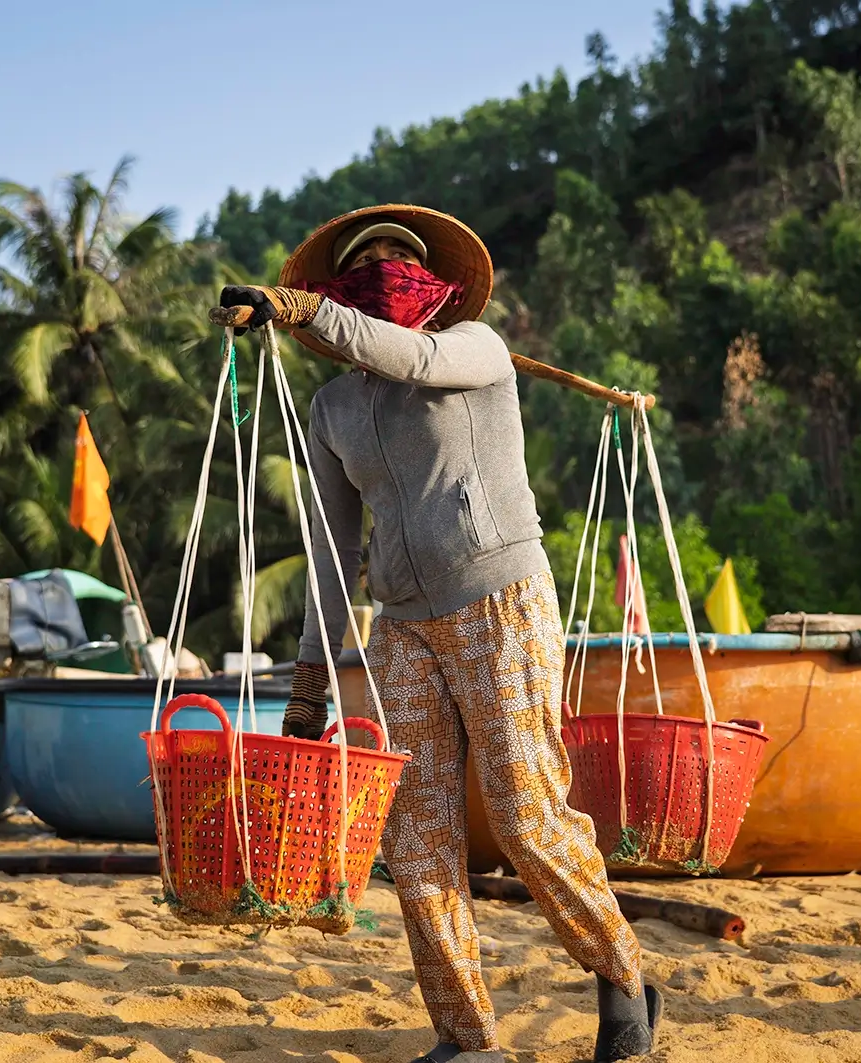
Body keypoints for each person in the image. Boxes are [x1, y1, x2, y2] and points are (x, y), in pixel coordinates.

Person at [219, 205, 663, 1063]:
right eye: (368, 259)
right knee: (415, 837)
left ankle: (623, 975)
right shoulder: (334, 404)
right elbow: (331, 546)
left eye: (401, 254)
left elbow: (412, 357)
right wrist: (310, 681)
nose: (387, 265)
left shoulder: (474, 348)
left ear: (431, 277)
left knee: (527, 813)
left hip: (501, 599)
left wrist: (307, 313)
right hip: (402, 628)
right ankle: (467, 1036)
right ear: (338, 283)